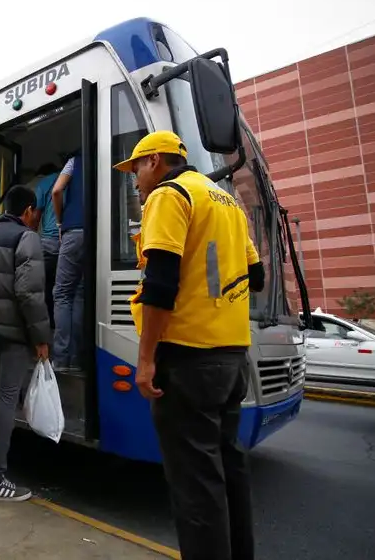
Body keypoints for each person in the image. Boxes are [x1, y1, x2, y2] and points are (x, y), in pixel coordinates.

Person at [114, 131, 265, 560]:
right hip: (232, 357)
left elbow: (160, 285)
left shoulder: (169, 195)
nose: (135, 181)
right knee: (229, 474)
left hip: (187, 360)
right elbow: (256, 278)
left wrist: (145, 361)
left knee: (196, 490)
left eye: (136, 170)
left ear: (156, 161)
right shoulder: (227, 203)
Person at [0, 184, 50, 502]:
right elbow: (30, 293)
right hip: (16, 333)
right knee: (6, 400)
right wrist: (41, 338)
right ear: (29, 211)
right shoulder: (26, 237)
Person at [50, 149, 85, 371]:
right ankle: (76, 358)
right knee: (80, 293)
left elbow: (56, 191)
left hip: (73, 232)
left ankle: (61, 360)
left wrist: (61, 221)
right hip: (97, 233)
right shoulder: (106, 159)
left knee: (62, 293)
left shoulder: (73, 162)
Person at [33, 162, 61, 327]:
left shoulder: (44, 183)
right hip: (67, 241)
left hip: (49, 243)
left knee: (42, 289)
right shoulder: (68, 179)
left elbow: (35, 217)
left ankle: (47, 327)